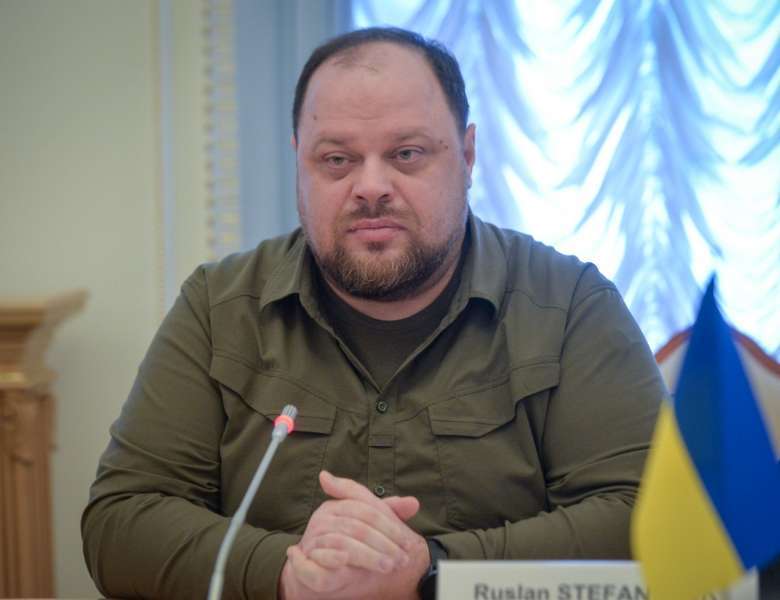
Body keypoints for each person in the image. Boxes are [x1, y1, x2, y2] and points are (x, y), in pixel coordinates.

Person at [82, 27, 665, 599]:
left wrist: (432, 571)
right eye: (337, 159)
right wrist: (289, 573)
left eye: (406, 154)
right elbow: (121, 521)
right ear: (299, 161)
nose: (371, 186)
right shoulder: (219, 308)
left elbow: (649, 517)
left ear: (466, 156)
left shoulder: (570, 305)